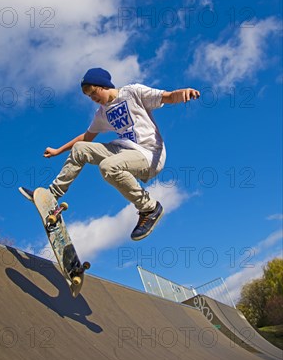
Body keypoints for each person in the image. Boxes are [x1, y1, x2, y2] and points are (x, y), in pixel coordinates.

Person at [19, 67, 200, 241]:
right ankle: (52, 195)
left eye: (93, 93)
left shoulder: (132, 92)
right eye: (89, 97)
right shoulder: (102, 114)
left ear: (104, 85)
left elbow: (165, 97)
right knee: (80, 149)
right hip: (124, 151)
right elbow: (86, 137)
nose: (93, 99)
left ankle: (149, 208)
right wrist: (58, 150)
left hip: (149, 154)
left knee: (109, 166)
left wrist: (182, 93)